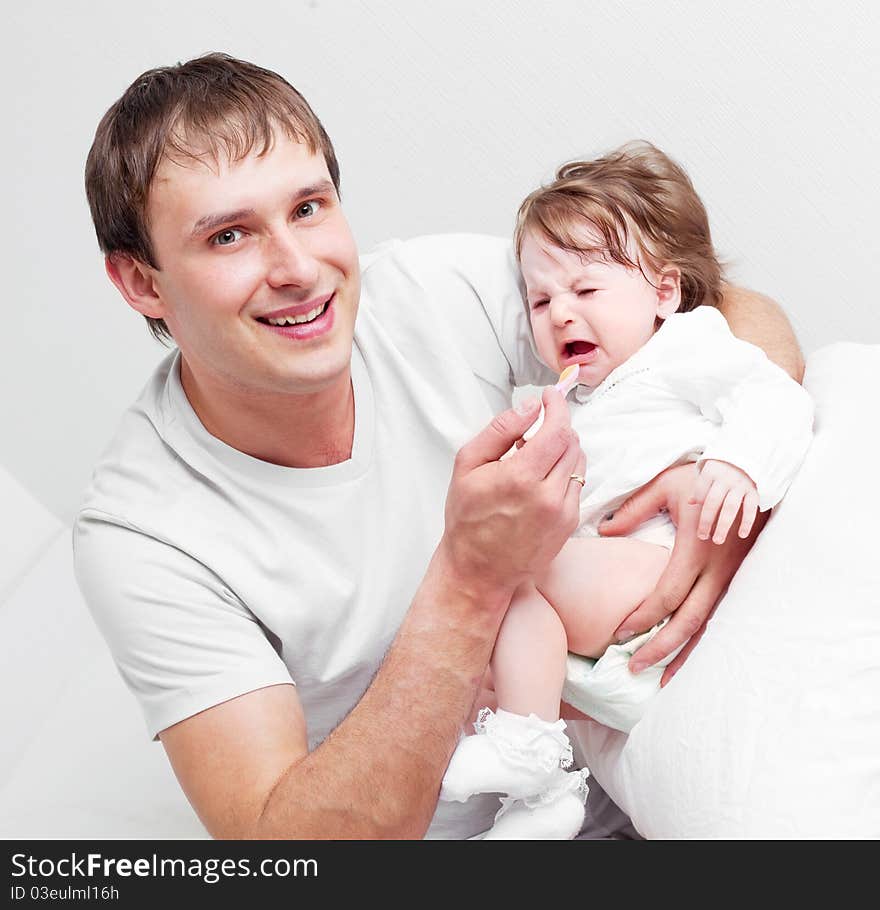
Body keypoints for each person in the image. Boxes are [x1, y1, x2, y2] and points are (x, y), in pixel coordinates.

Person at [73, 53, 805, 840]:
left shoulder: (436, 295)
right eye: (228, 235)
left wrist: (715, 492)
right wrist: (470, 576)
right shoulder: (143, 534)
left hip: (636, 803)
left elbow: (722, 309)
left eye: (310, 207)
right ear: (141, 283)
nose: (298, 269)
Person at [438, 142, 815, 838]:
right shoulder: (568, 397)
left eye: (586, 291)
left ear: (664, 294)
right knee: (502, 606)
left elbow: (773, 398)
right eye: (541, 299)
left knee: (507, 572)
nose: (560, 315)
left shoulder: (684, 350)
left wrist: (736, 464)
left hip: (659, 566)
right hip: (606, 606)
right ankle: (543, 793)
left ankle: (530, 756)